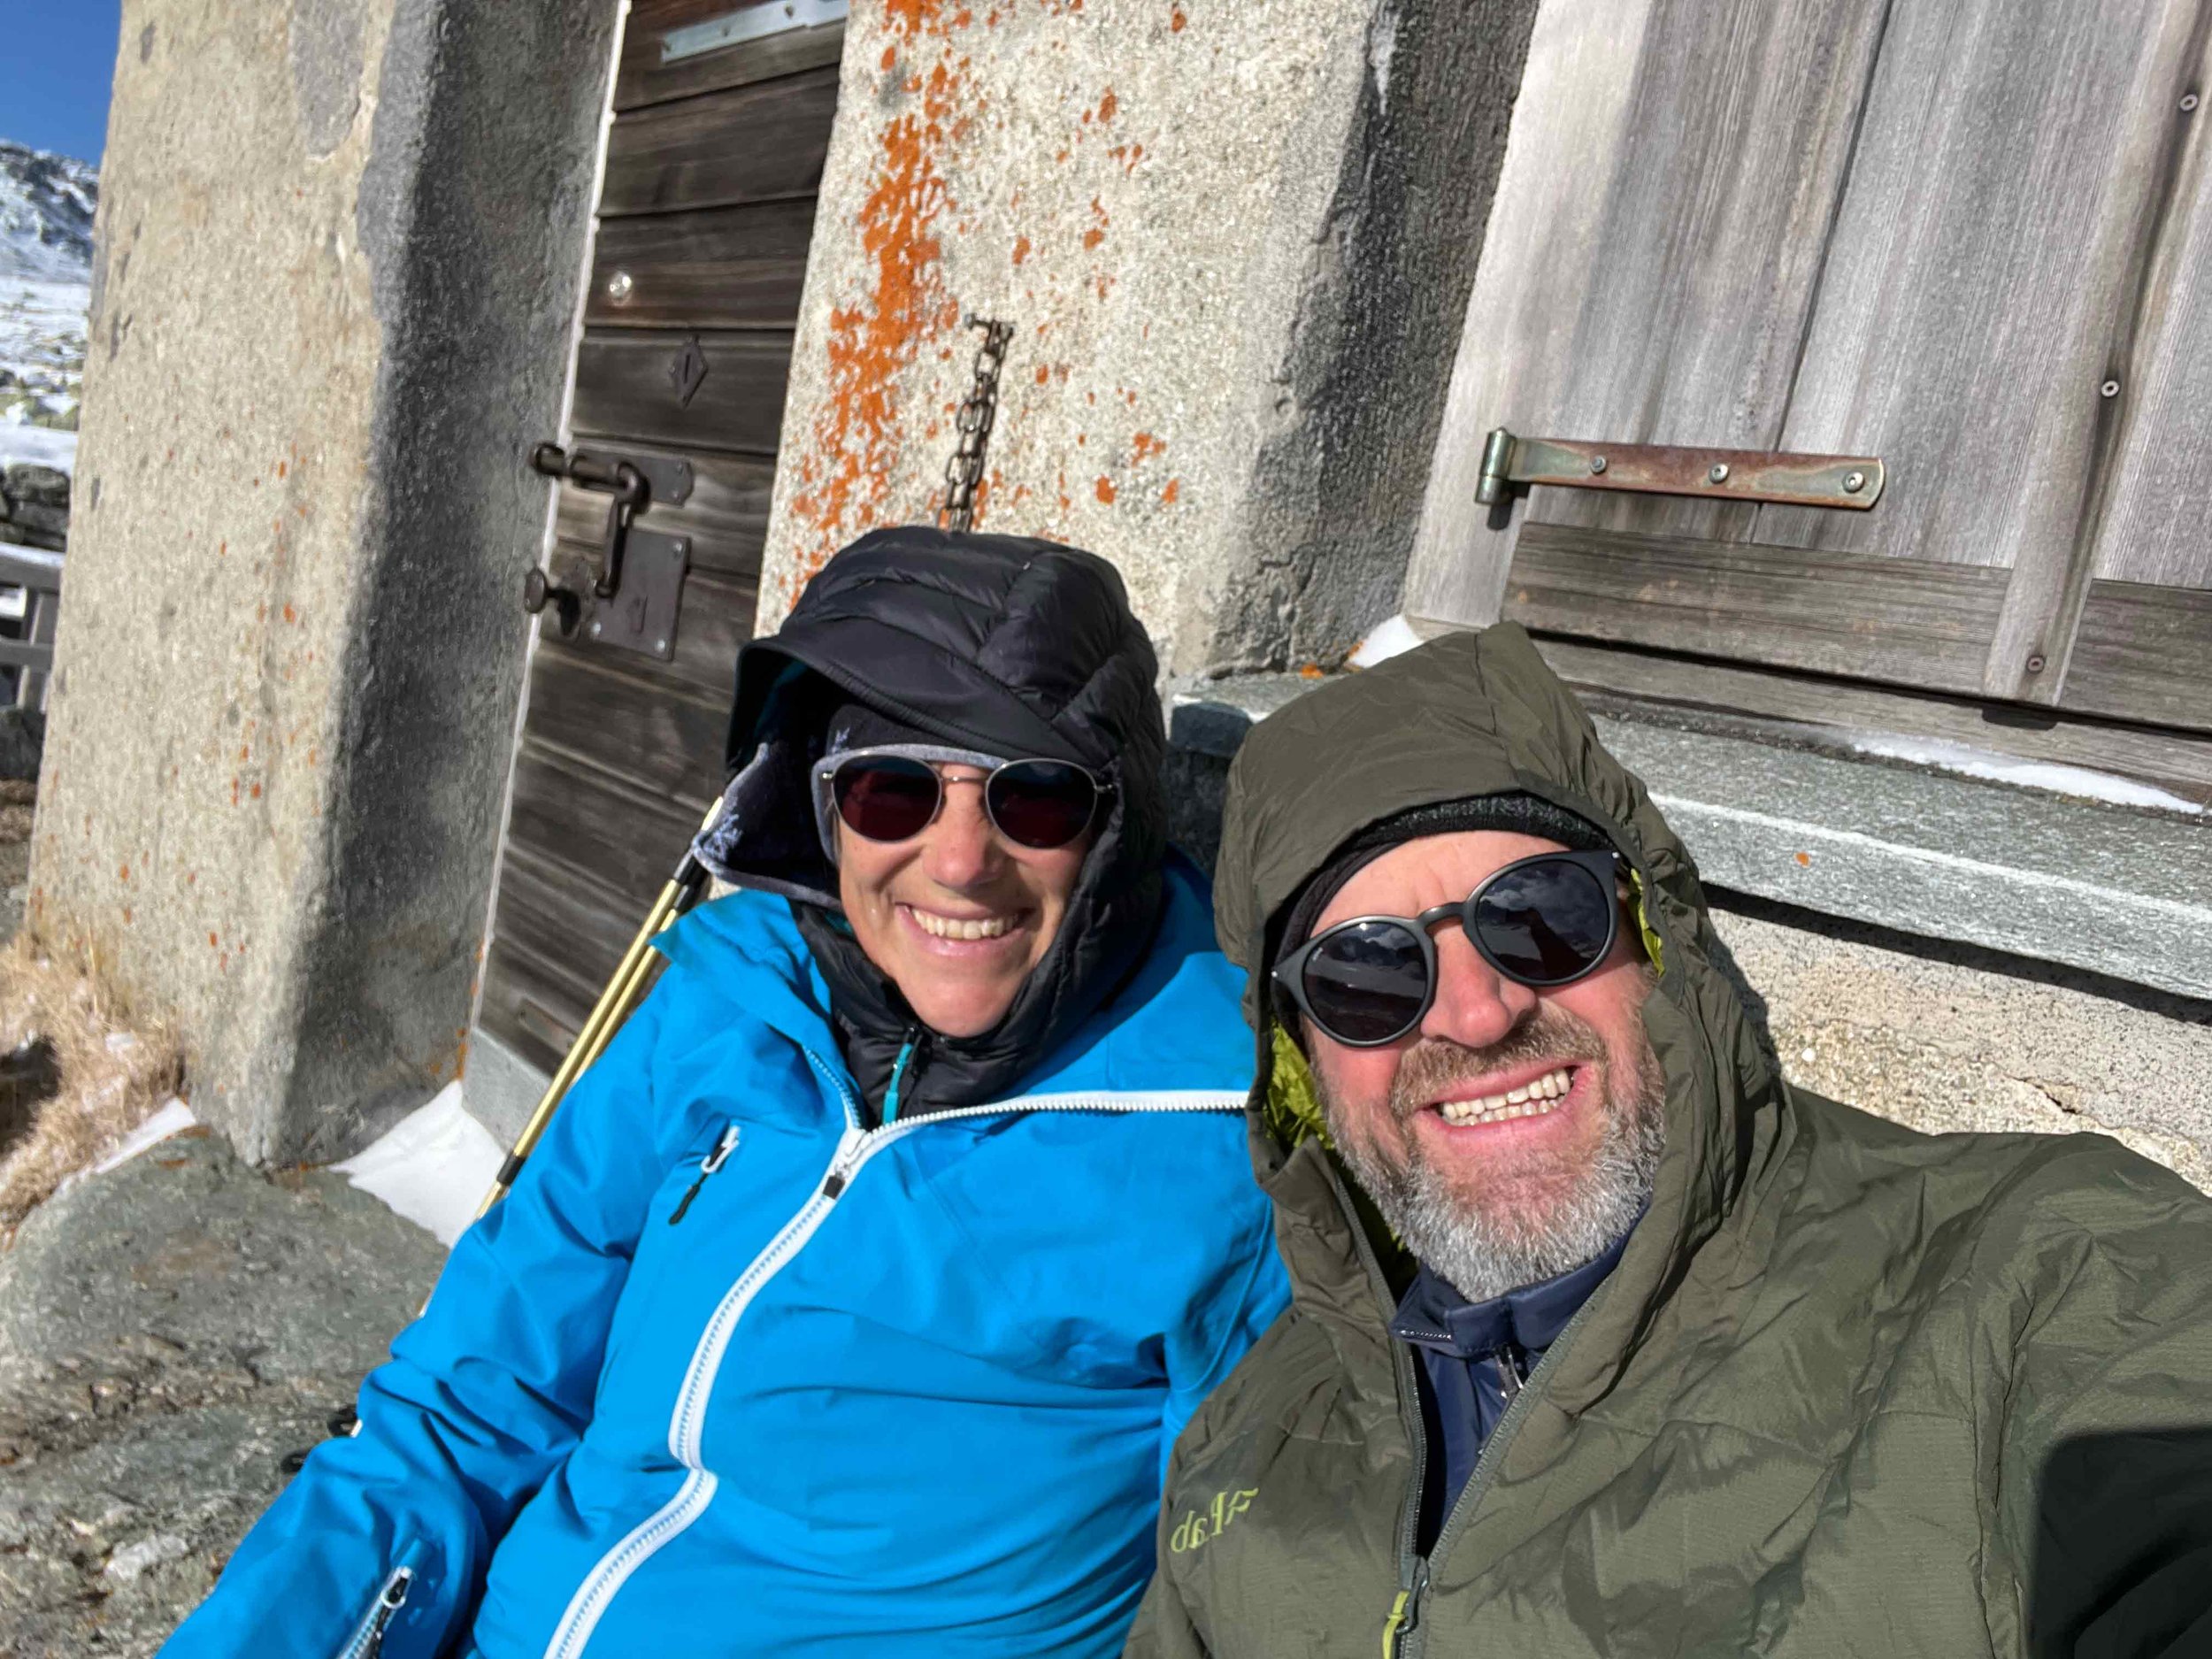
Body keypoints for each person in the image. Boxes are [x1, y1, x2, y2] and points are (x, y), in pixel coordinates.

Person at [163, 527, 1288, 1658]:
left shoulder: (1228, 1149)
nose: (957, 861)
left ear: (1118, 825)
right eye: (891, 791)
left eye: (1033, 799)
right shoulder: (727, 1005)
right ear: (819, 804)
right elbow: (473, 1397)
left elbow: (1229, 1604)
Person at [1130, 625, 2212, 1658]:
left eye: (1540, 915)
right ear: (1301, 1070)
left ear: (1656, 943)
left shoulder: (2042, 1277)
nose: (1476, 1013)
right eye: (1366, 975)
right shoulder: (1250, 1442)